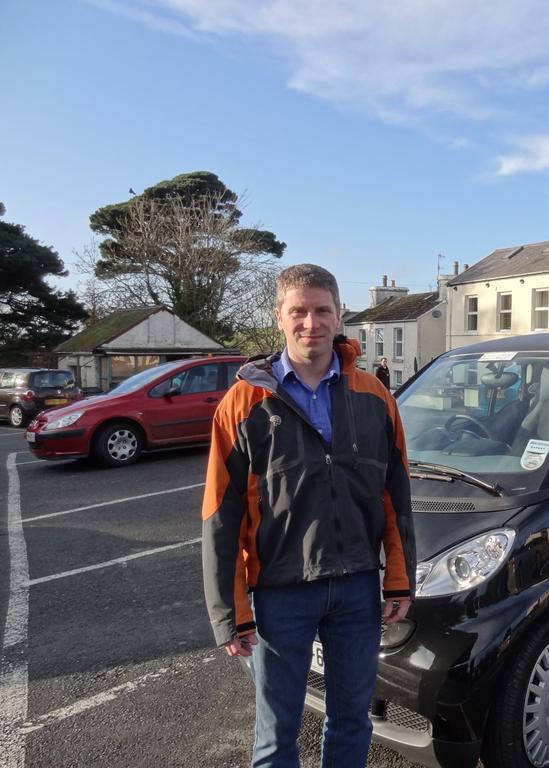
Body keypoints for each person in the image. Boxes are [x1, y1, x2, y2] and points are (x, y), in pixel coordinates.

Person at [201, 264, 415, 768]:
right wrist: (229, 612)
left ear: (339, 315)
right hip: (280, 593)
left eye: (322, 310)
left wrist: (399, 579)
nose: (310, 323)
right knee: (276, 736)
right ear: (279, 317)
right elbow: (220, 514)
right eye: (298, 311)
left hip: (357, 588)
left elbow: (395, 495)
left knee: (352, 721)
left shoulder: (375, 396)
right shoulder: (243, 403)